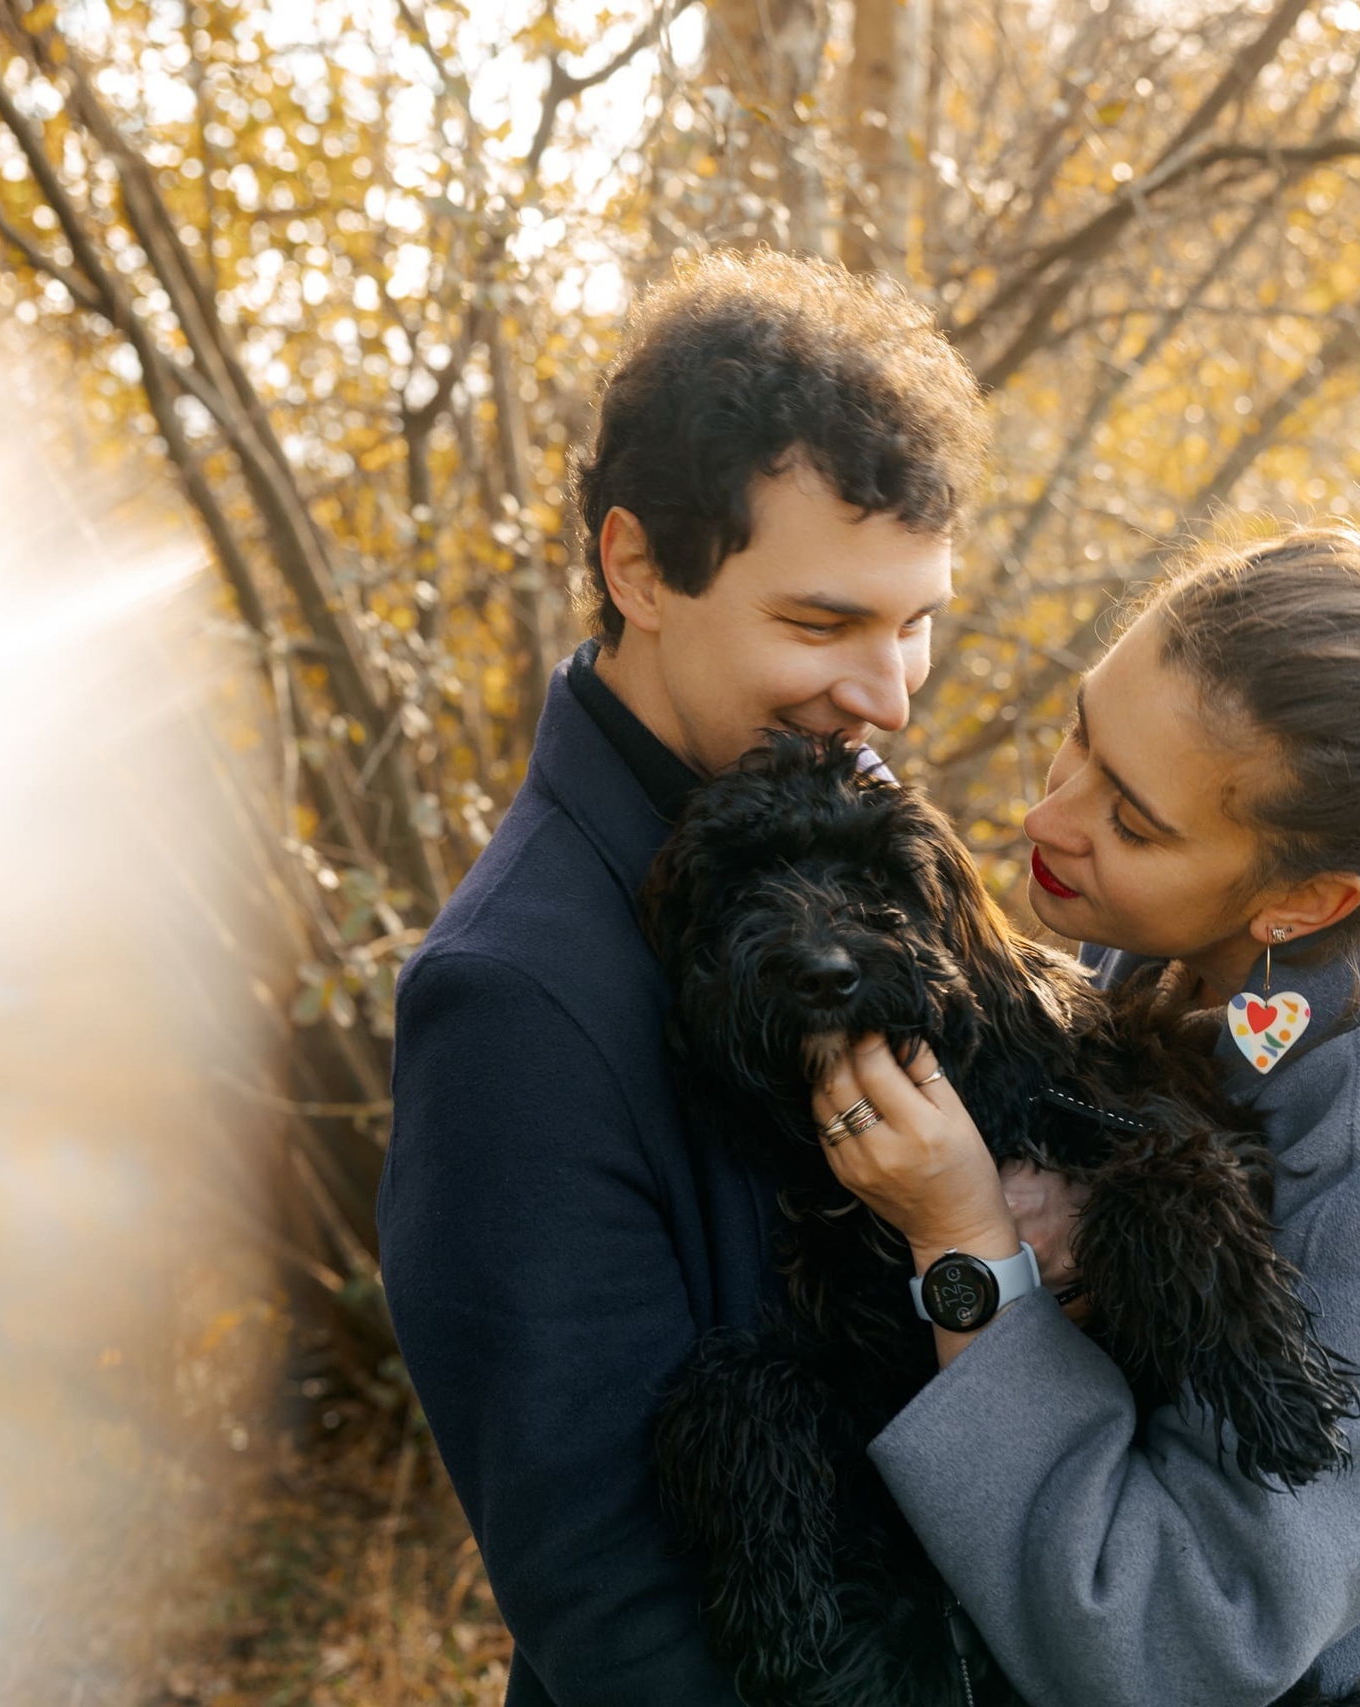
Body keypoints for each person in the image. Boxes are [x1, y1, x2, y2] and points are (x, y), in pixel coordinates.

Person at [812, 517, 1360, 1705]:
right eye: (1080, 734)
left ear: (1303, 900)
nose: (1050, 819)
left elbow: (1160, 1643)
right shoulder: (1170, 961)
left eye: (1133, 821)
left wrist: (965, 1248)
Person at [376, 249, 989, 1707]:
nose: (891, 692)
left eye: (915, 619)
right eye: (822, 622)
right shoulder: (512, 996)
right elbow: (620, 1603)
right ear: (637, 566)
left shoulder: (848, 837)